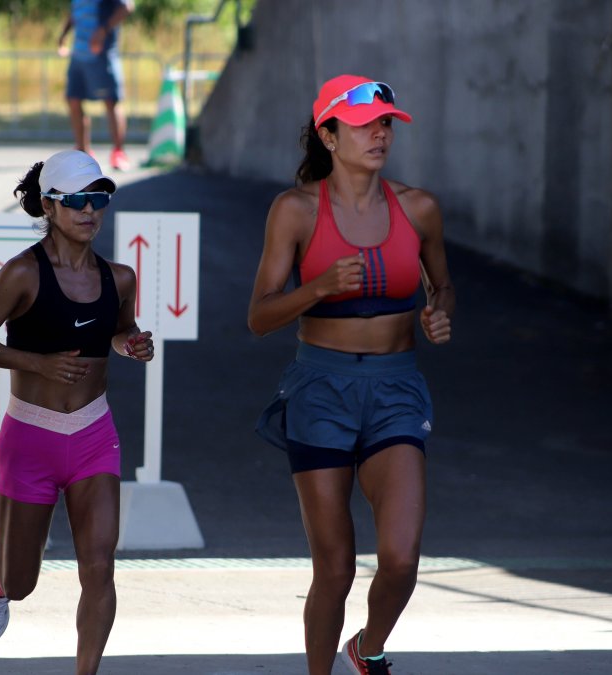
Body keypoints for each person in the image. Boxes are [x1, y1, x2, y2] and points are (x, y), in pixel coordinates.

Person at [249, 75, 455, 675]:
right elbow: (259, 316)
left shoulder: (419, 208)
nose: (380, 134)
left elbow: (442, 285)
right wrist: (318, 287)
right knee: (335, 569)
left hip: (396, 389)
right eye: (365, 124)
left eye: (386, 123)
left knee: (402, 558)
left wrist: (438, 313)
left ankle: (367, 648)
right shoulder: (295, 210)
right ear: (329, 135)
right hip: (321, 390)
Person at [0, 149, 153, 675]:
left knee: (100, 567)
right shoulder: (22, 273)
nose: (89, 211)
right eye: (76, 201)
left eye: (98, 200)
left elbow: (119, 329)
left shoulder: (120, 277)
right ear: (48, 205)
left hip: (94, 433)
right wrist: (38, 363)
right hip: (31, 435)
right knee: (22, 581)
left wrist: (130, 343)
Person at [56, 0, 135, 171]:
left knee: (111, 102)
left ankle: (118, 153)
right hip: (78, 54)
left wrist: (103, 30)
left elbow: (127, 7)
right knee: (73, 100)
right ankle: (83, 152)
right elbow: (76, 12)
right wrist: (64, 33)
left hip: (102, 54)